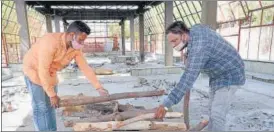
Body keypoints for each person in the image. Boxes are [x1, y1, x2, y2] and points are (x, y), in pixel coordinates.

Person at [154, 21, 245, 131]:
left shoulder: (199, 46)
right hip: (217, 76)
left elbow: (188, 78)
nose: (173, 45)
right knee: (212, 111)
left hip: (231, 74)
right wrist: (189, 55)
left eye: (175, 41)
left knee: (217, 114)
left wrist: (166, 104)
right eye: (171, 42)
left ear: (183, 34)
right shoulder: (194, 33)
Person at [23, 21, 109, 131]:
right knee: (41, 107)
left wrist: (98, 87)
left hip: (50, 73)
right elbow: (42, 70)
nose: (82, 43)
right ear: (71, 35)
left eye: (84, 40)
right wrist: (52, 94)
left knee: (51, 105)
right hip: (34, 71)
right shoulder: (50, 42)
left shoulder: (76, 48)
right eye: (80, 40)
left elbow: (85, 68)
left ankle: (51, 130)